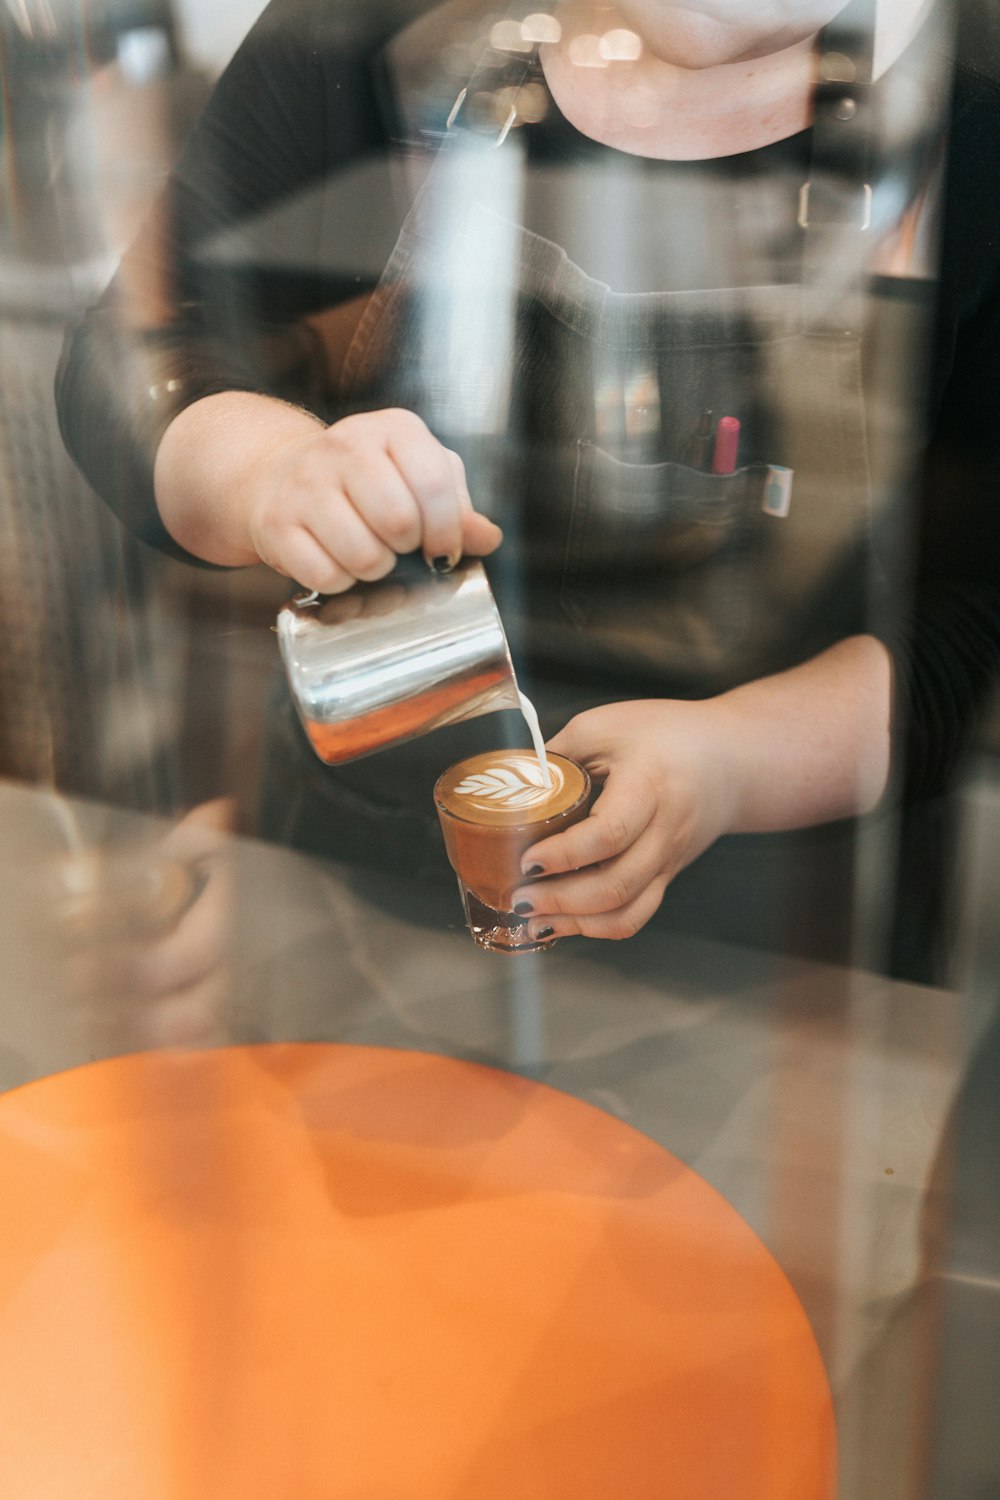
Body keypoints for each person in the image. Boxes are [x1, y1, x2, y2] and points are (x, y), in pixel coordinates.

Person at [56, 0, 1000, 981]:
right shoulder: (377, 27)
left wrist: (732, 762)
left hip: (778, 982)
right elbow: (128, 362)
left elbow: (974, 613)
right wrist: (268, 471)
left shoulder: (968, 102)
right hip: (355, 894)